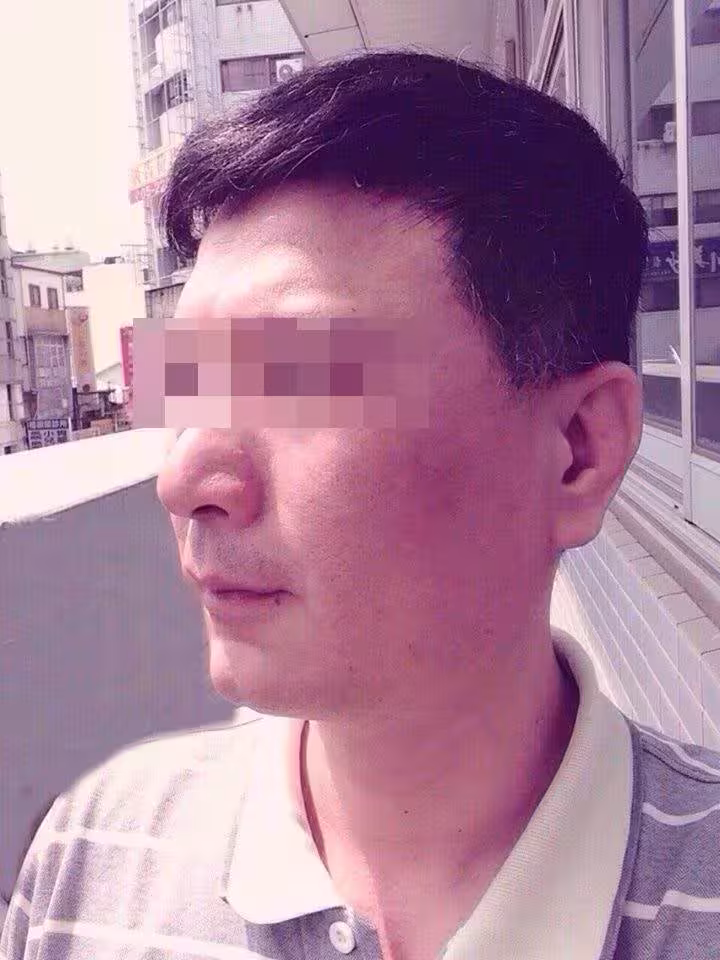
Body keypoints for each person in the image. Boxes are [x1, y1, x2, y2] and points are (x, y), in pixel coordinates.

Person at [3, 49, 720, 960]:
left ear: (578, 451)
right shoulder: (89, 866)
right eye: (193, 385)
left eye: (302, 381)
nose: (183, 479)